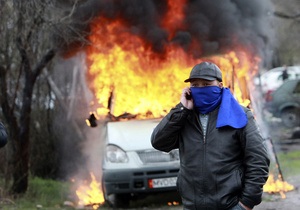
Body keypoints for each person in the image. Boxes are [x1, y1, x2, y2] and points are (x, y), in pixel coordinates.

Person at [151, 61, 270, 210]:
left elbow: (258, 160)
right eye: (195, 85)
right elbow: (158, 142)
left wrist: (246, 203)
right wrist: (181, 110)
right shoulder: (185, 116)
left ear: (219, 85)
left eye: (206, 84)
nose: (200, 89)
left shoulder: (239, 114)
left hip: (230, 205)